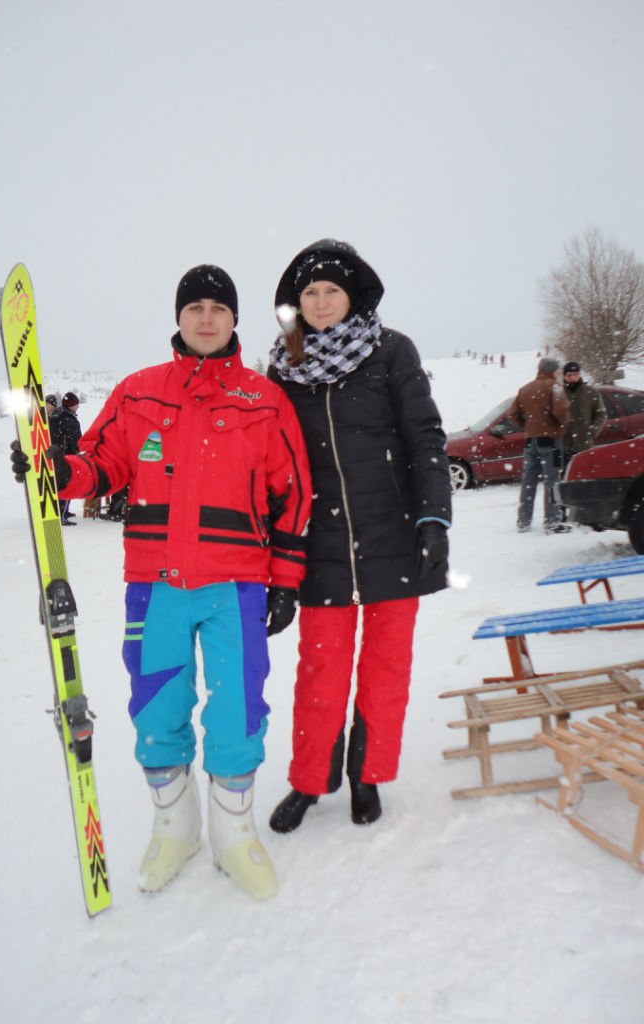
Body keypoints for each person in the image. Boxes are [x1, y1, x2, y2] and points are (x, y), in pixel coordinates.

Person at [11, 265, 312, 899]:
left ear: (234, 319)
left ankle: (234, 836)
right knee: (156, 708)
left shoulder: (264, 399)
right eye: (194, 306)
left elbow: (293, 494)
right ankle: (175, 829)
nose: (206, 317)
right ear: (178, 317)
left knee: (237, 710)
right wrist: (56, 470)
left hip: (236, 587)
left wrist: (285, 580)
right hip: (155, 587)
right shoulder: (139, 392)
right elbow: (101, 464)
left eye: (218, 308)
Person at [266, 238, 451, 834]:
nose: (321, 302)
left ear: (353, 297)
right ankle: (310, 779)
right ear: (296, 304)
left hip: (393, 536)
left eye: (332, 291)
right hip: (320, 544)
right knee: (319, 671)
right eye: (310, 293)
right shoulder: (283, 368)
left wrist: (433, 520)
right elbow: (275, 469)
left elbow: (425, 438)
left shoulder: (391, 351)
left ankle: (367, 774)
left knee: (386, 668)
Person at [507, 356, 570, 533]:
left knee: (529, 481)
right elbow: (562, 412)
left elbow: (512, 415)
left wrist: (528, 426)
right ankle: (552, 522)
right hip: (551, 441)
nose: (559, 373)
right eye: (558, 370)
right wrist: (560, 427)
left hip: (530, 442)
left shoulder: (525, 389)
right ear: (552, 370)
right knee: (553, 480)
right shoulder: (555, 387)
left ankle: (523, 521)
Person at [562, 360, 607, 468]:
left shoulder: (590, 392)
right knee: (564, 475)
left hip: (584, 445)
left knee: (585, 473)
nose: (573, 378)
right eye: (569, 375)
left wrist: (593, 431)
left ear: (579, 375)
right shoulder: (559, 393)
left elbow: (601, 414)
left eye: (575, 374)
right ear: (564, 376)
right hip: (563, 446)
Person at [49, 392, 82, 524]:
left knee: (57, 486)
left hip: (53, 455)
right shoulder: (69, 420)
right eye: (76, 404)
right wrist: (78, 452)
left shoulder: (55, 416)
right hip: (66, 457)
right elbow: (76, 441)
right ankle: (61, 515)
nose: (77, 407)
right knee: (67, 485)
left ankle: (61, 511)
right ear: (71, 405)